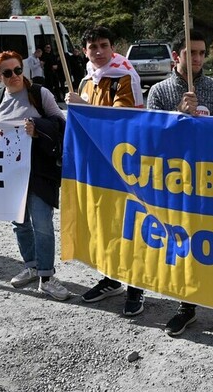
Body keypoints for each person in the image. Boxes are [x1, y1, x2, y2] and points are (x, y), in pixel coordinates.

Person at [146, 29, 213, 340]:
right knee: (185, 245)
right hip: (177, 184)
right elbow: (152, 138)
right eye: (192, 53)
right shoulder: (159, 92)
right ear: (177, 56)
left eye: (202, 52)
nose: (199, 58)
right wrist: (179, 116)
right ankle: (187, 306)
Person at [66, 26, 145, 316]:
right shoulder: (87, 80)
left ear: (113, 47)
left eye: (104, 45)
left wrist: (83, 107)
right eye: (93, 47)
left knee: (129, 226)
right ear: (84, 51)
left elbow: (122, 119)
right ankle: (111, 278)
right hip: (96, 165)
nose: (99, 51)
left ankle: (136, 287)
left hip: (124, 166)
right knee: (104, 224)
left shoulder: (124, 76)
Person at [0, 50, 70, 301]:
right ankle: (32, 266)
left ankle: (46, 276)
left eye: (18, 70)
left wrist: (37, 130)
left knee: (42, 224)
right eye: (7, 72)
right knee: (20, 224)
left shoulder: (40, 93)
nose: (14, 76)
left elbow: (61, 124)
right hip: (13, 173)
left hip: (40, 171)